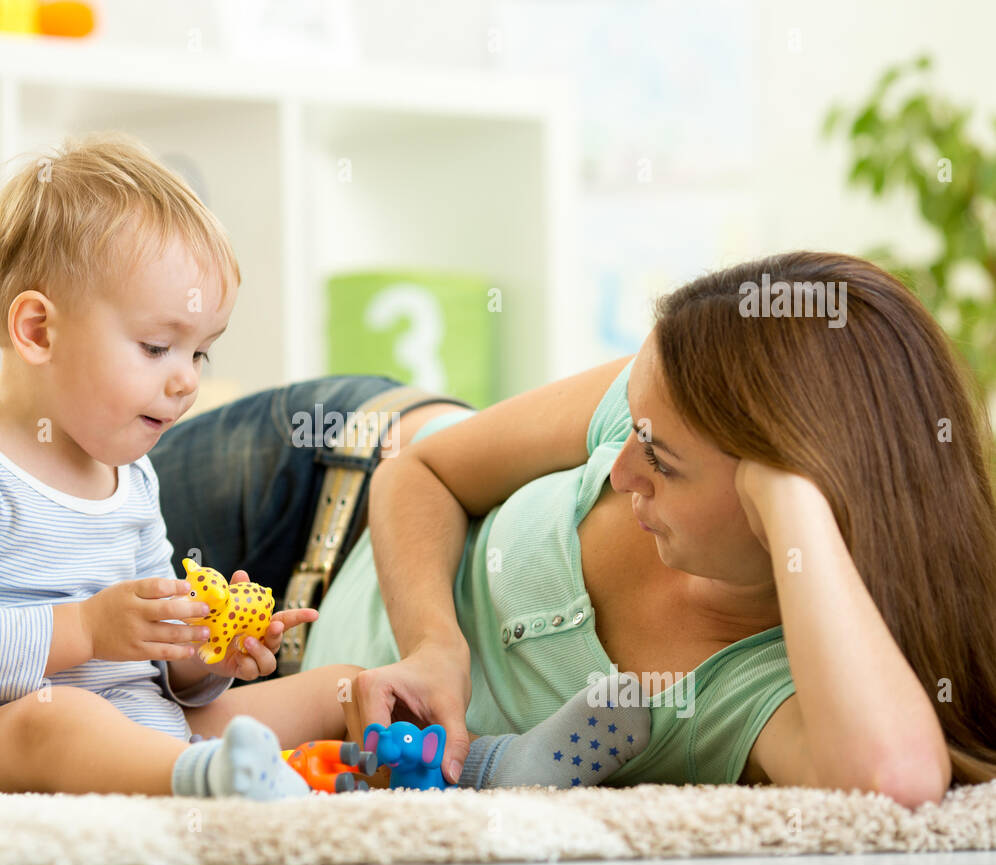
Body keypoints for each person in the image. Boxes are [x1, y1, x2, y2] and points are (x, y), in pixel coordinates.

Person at [0, 130, 472, 801]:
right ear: (38, 330)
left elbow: (159, 669)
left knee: (346, 684)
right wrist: (87, 629)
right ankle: (208, 780)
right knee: (61, 717)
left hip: (149, 725)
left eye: (200, 354)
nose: (186, 381)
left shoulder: (133, 478)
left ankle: (474, 763)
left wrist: (205, 656)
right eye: (157, 347)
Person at [312, 251, 996, 809]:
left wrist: (793, 496)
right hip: (325, 478)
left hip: (296, 713)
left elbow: (892, 780)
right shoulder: (672, 392)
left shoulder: (757, 686)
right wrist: (433, 646)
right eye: (633, 433)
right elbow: (420, 467)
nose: (620, 473)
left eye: (662, 463)